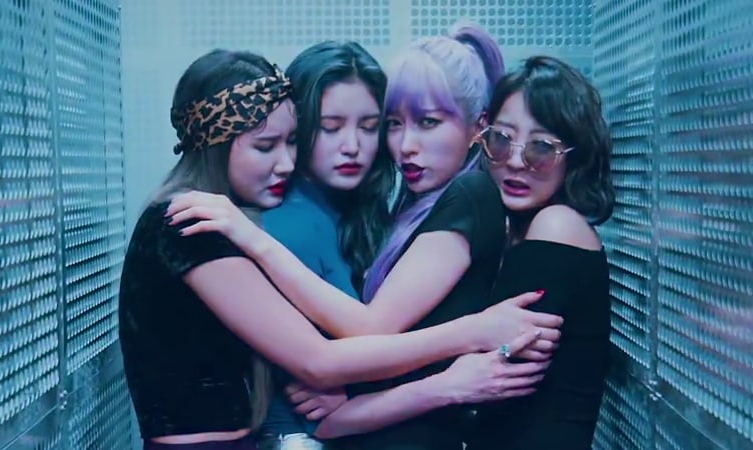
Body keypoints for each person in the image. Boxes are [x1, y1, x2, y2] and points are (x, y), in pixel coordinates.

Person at [119, 48, 559, 450]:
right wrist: (473, 335)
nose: (285, 163)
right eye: (265, 146)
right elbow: (319, 362)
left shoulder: (233, 221)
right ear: (214, 146)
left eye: (291, 141)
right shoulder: (189, 223)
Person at [461, 55, 615, 450]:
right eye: (501, 139)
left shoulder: (558, 226)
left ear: (575, 155)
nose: (515, 161)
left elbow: (496, 363)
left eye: (541, 147)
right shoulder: (511, 229)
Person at [256, 41, 396, 450]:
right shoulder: (289, 225)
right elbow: (311, 379)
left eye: (368, 127)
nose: (352, 145)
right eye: (331, 127)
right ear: (298, 129)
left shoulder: (359, 215)